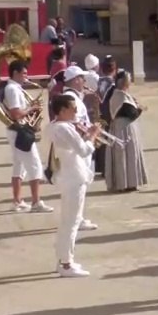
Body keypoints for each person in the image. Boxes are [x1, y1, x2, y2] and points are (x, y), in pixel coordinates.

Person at [46, 94, 98, 277]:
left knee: (68, 220)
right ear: (62, 111)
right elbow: (84, 150)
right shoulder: (64, 128)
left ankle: (63, 258)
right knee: (72, 221)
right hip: (74, 176)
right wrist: (92, 136)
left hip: (68, 176)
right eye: (72, 108)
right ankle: (66, 263)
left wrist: (82, 132)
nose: (76, 111)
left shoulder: (55, 126)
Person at [2, 59, 52, 213]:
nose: (26, 76)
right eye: (24, 73)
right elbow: (16, 113)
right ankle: (36, 202)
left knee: (19, 165)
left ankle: (17, 201)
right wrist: (32, 108)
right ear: (15, 73)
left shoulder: (11, 88)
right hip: (20, 130)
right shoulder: (14, 89)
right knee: (34, 164)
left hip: (15, 130)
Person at [58, 66, 98, 231]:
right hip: (78, 146)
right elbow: (75, 124)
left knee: (76, 187)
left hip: (78, 144)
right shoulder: (70, 98)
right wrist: (92, 134)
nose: (84, 82)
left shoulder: (73, 97)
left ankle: (75, 217)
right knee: (79, 186)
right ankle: (77, 219)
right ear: (75, 80)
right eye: (82, 78)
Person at [103, 70, 148, 192]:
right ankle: (123, 184)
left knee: (128, 155)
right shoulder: (120, 96)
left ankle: (129, 183)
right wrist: (138, 109)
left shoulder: (120, 95)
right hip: (122, 128)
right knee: (123, 156)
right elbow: (130, 113)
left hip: (125, 127)